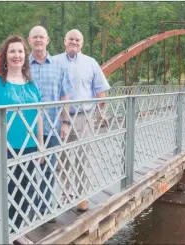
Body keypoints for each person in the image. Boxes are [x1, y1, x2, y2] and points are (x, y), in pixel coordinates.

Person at [0, 35, 44, 239]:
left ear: (25, 56)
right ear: (5, 56)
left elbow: (39, 117)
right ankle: (3, 232)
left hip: (29, 145)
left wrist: (41, 145)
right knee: (4, 191)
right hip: (4, 147)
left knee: (24, 191)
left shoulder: (31, 85)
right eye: (12, 51)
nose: (17, 55)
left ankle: (17, 233)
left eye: (20, 51)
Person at [54, 29, 111, 211]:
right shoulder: (54, 61)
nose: (74, 42)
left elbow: (100, 89)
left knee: (82, 158)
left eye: (78, 40)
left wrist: (102, 112)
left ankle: (81, 196)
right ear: (65, 40)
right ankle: (64, 193)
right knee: (61, 159)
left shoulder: (90, 63)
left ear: (82, 42)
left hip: (83, 117)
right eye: (71, 39)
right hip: (59, 117)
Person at [27, 26, 73, 215]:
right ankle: (27, 207)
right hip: (26, 128)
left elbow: (65, 96)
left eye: (42, 37)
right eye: (35, 37)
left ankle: (44, 208)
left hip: (51, 126)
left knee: (48, 169)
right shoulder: (22, 65)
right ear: (29, 41)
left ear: (48, 40)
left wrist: (65, 122)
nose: (38, 40)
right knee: (27, 169)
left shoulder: (58, 66)